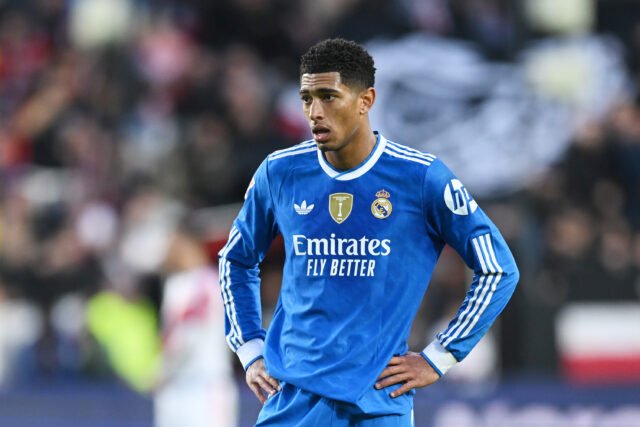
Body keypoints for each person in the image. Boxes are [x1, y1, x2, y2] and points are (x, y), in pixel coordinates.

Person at [219, 38, 519, 426]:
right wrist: (248, 347)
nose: (315, 112)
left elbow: (498, 268)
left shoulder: (420, 178)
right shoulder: (280, 172)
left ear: (366, 100)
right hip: (291, 402)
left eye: (329, 97)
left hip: (377, 405)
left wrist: (440, 356)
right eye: (307, 99)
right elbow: (236, 259)